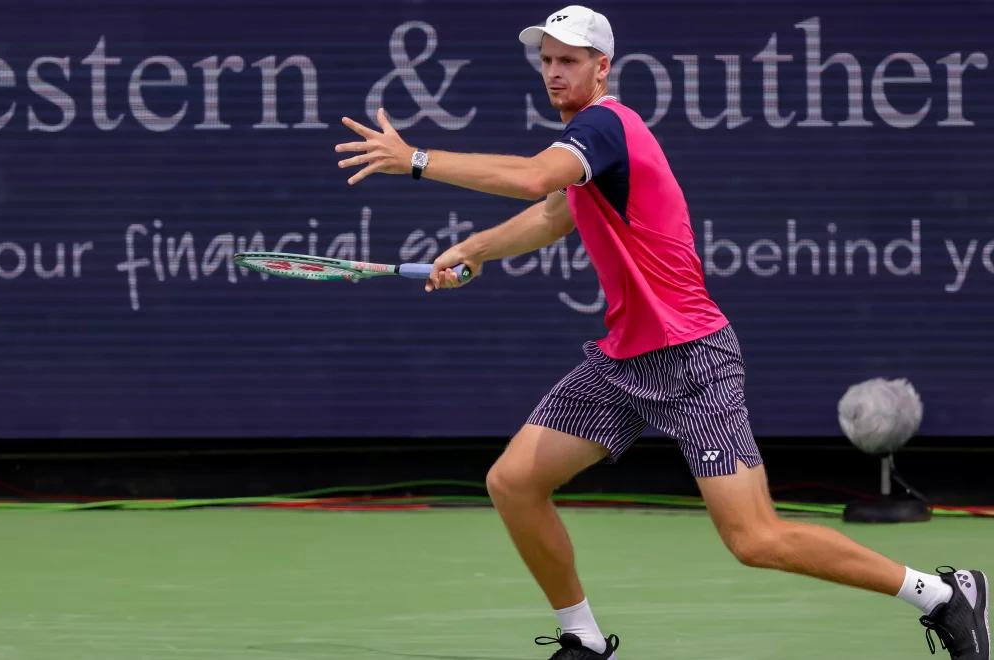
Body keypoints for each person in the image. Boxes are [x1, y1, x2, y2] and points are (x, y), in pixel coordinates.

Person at [334, 5, 988, 660]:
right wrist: (476, 247)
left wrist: (416, 158)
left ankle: (941, 594)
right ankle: (583, 640)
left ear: (601, 67)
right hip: (623, 363)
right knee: (513, 482)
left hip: (692, 360)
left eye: (569, 60)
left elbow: (534, 177)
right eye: (547, 61)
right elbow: (554, 211)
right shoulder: (587, 147)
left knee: (754, 539)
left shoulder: (607, 125)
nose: (556, 72)